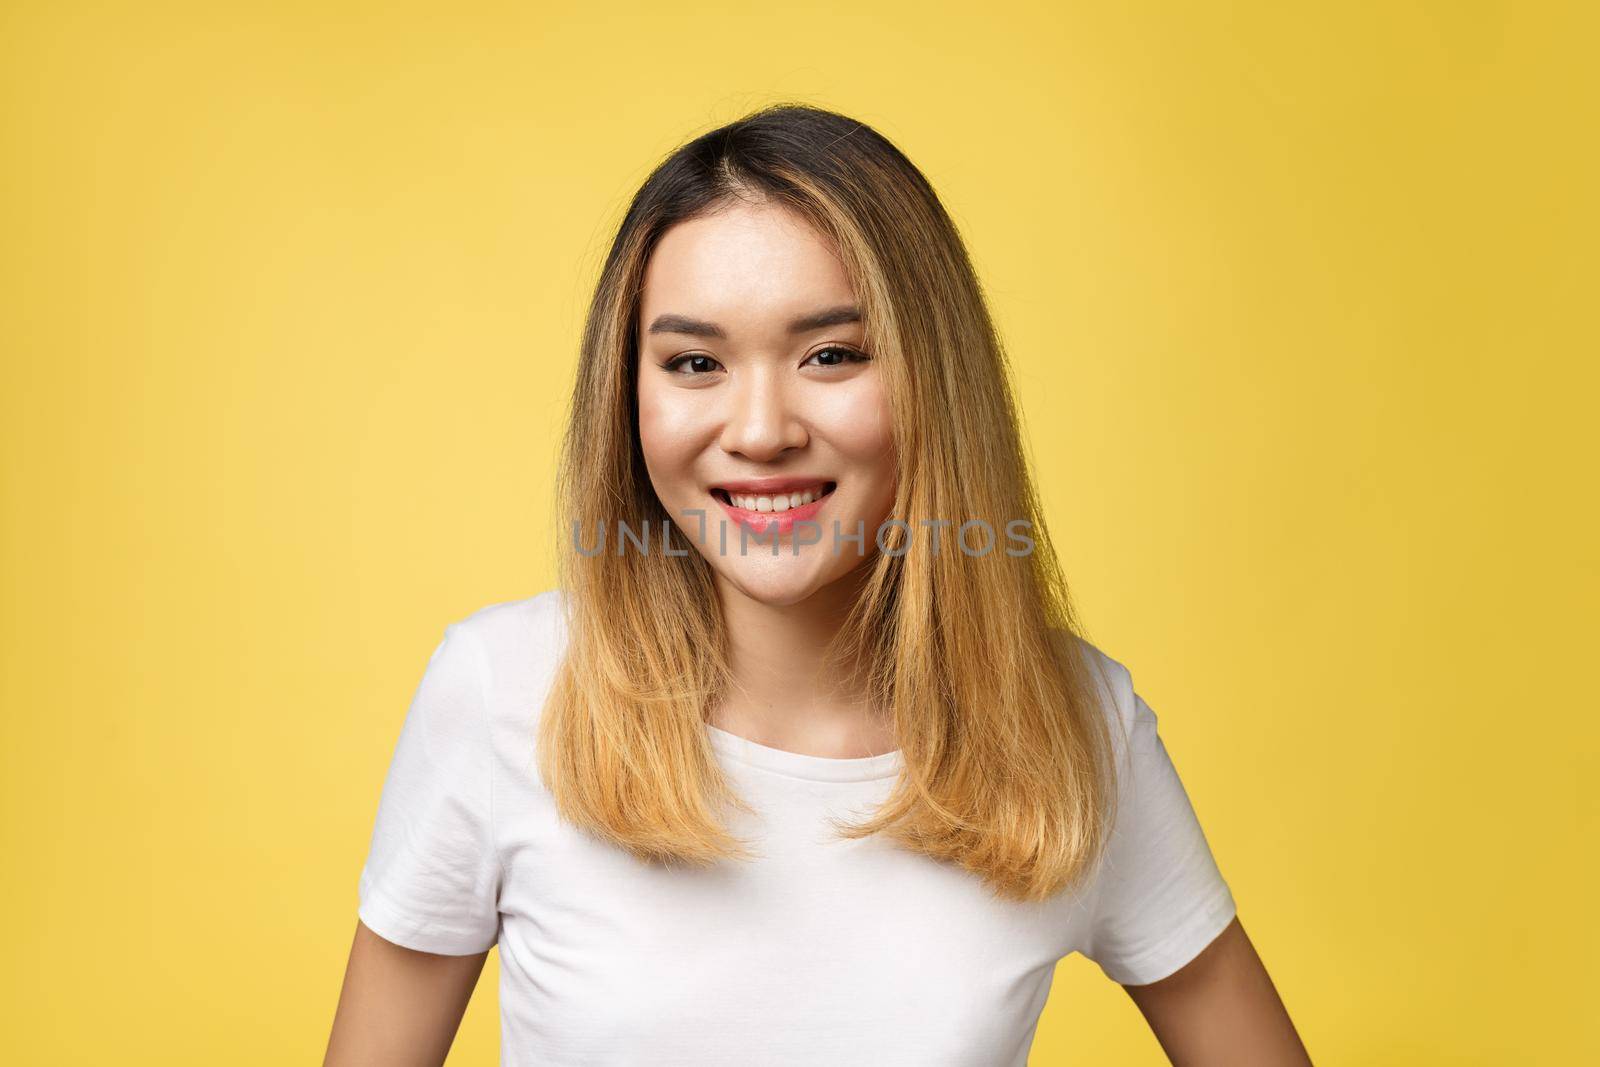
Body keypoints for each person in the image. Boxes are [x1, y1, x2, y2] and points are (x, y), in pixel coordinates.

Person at [324, 103, 1312, 1066]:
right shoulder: (502, 690)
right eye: (695, 360)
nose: (759, 430)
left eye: (831, 354)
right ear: (628, 396)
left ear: (934, 376)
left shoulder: (1076, 729)